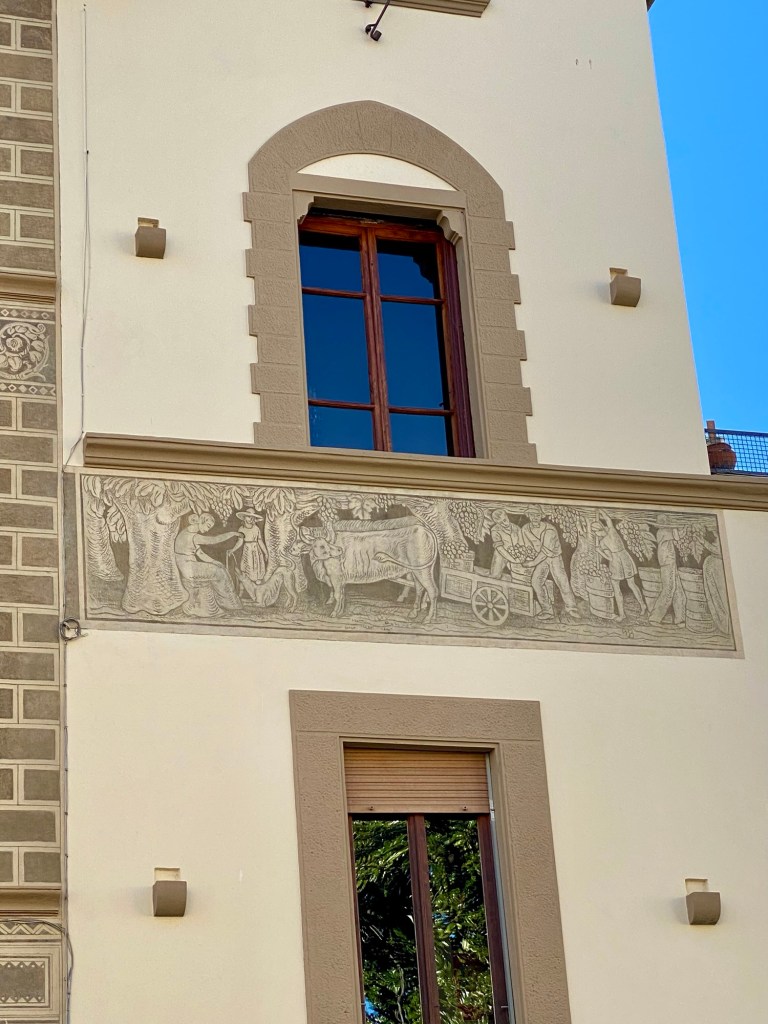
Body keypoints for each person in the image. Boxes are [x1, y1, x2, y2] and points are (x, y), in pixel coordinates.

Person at [174, 513, 243, 618]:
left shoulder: (188, 532)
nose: (207, 530)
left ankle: (228, 602)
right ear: (201, 521)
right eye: (208, 526)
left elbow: (200, 553)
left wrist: (214, 561)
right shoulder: (194, 536)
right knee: (218, 572)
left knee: (219, 567)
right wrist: (233, 533)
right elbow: (214, 540)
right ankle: (230, 604)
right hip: (188, 568)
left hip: (189, 566)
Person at [521, 506, 580, 620]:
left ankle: (571, 607)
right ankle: (547, 610)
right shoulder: (525, 529)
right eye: (532, 515)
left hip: (553, 556)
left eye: (537, 515)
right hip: (540, 558)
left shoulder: (550, 530)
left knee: (561, 580)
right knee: (536, 582)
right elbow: (527, 547)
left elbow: (545, 552)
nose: (535, 517)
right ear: (528, 515)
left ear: (541, 516)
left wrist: (532, 563)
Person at [592, 510, 647, 621]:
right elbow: (607, 518)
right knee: (630, 584)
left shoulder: (603, 541)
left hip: (616, 561)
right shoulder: (612, 531)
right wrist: (601, 511)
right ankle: (641, 606)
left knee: (618, 587)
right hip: (624, 557)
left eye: (595, 532)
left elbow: (609, 558)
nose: (595, 535)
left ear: (598, 530)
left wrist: (599, 551)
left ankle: (623, 614)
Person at [648, 515, 685, 626]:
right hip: (667, 562)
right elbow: (678, 537)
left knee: (678, 590)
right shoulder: (664, 531)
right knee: (669, 590)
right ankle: (655, 618)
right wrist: (679, 527)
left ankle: (680, 619)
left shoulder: (663, 530)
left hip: (670, 561)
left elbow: (677, 536)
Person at [235, 507, 268, 587]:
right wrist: (232, 550)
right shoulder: (241, 529)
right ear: (244, 517)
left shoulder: (256, 528)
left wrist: (266, 553)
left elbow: (260, 541)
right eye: (249, 516)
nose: (251, 519)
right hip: (247, 550)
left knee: (257, 566)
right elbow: (240, 542)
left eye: (252, 517)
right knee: (248, 567)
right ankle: (248, 586)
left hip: (256, 550)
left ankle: (257, 585)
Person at [489, 508, 523, 578]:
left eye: (504, 520)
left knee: (520, 575)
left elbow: (522, 543)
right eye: (500, 523)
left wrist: (519, 555)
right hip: (501, 553)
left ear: (507, 516)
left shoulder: (517, 528)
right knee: (495, 575)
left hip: (516, 552)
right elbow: (499, 548)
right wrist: (512, 559)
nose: (504, 524)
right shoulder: (495, 530)